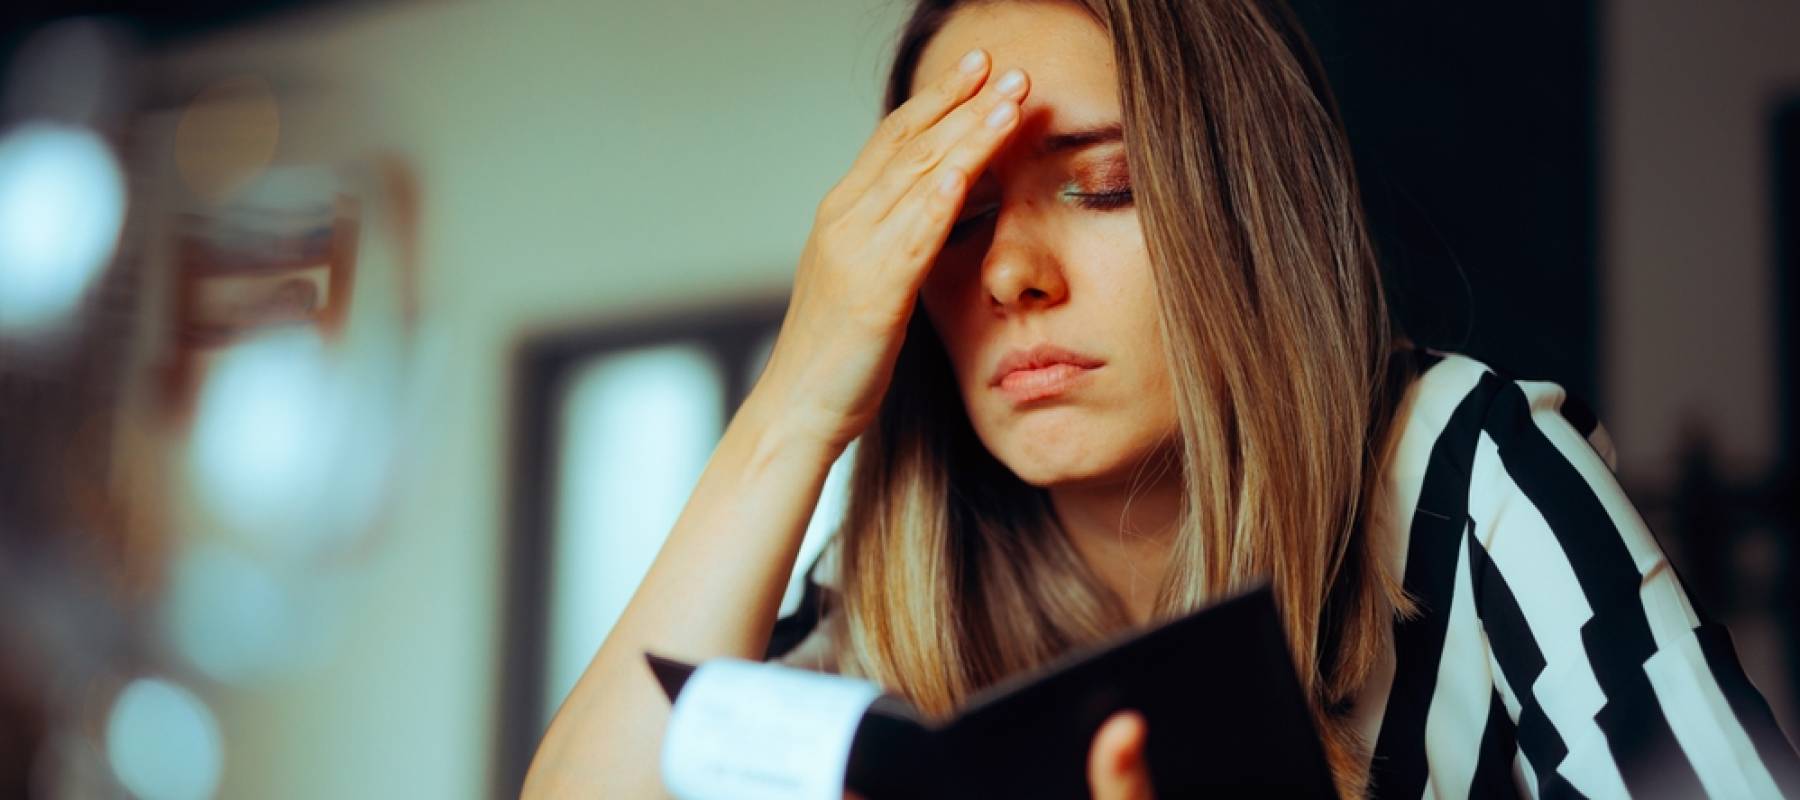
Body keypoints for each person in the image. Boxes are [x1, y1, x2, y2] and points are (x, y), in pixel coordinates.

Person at [522, 0, 1800, 797]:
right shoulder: (889, 606)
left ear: (1241, 209)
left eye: (1105, 184)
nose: (1013, 272)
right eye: (954, 222)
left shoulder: (1472, 477)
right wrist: (798, 398)